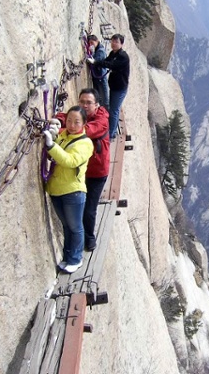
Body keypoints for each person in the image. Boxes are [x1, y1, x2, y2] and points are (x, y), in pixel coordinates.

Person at [51, 88, 110, 251]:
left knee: (89, 209)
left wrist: (61, 129)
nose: (84, 105)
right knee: (79, 209)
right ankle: (80, 239)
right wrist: (58, 119)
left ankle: (89, 240)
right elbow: (70, 117)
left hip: (96, 173)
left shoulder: (101, 120)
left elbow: (85, 130)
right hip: (80, 172)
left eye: (88, 102)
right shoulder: (80, 117)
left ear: (97, 105)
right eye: (81, 101)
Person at [43, 106, 93, 273]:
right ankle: (67, 257)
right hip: (57, 189)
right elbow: (56, 148)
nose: (72, 125)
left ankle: (76, 259)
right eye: (69, 121)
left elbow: (71, 161)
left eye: (76, 122)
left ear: (84, 123)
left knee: (75, 226)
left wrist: (51, 145)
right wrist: (55, 135)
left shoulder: (86, 143)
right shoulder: (64, 135)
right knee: (66, 226)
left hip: (73, 191)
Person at [87, 33, 130, 140]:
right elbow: (107, 61)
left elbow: (111, 65)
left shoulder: (123, 57)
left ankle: (110, 135)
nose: (114, 44)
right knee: (112, 109)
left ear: (121, 44)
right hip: (115, 86)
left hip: (120, 88)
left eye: (116, 42)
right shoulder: (113, 53)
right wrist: (96, 61)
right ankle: (111, 131)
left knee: (114, 111)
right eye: (113, 41)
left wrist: (95, 62)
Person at [87, 34, 109, 110]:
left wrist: (92, 54)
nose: (91, 45)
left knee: (104, 99)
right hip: (98, 77)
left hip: (101, 77)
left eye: (92, 43)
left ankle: (105, 112)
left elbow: (96, 61)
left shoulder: (100, 51)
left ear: (97, 41)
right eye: (89, 43)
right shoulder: (99, 49)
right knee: (99, 96)